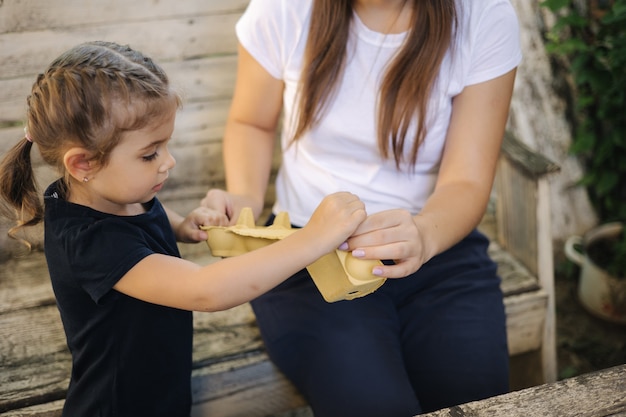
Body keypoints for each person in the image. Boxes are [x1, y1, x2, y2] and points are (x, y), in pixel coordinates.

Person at [0, 40, 366, 417]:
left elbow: (143, 214)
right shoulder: (89, 243)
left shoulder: (111, 191)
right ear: (82, 164)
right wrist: (312, 239)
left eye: (167, 145)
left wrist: (184, 225)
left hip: (161, 387)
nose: (168, 162)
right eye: (150, 153)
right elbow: (206, 291)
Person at [201, 0, 522, 415]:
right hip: (305, 255)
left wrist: (424, 235)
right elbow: (252, 122)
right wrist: (244, 199)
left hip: (437, 250)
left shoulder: (484, 15)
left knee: (479, 403)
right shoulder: (283, 9)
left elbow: (466, 180)